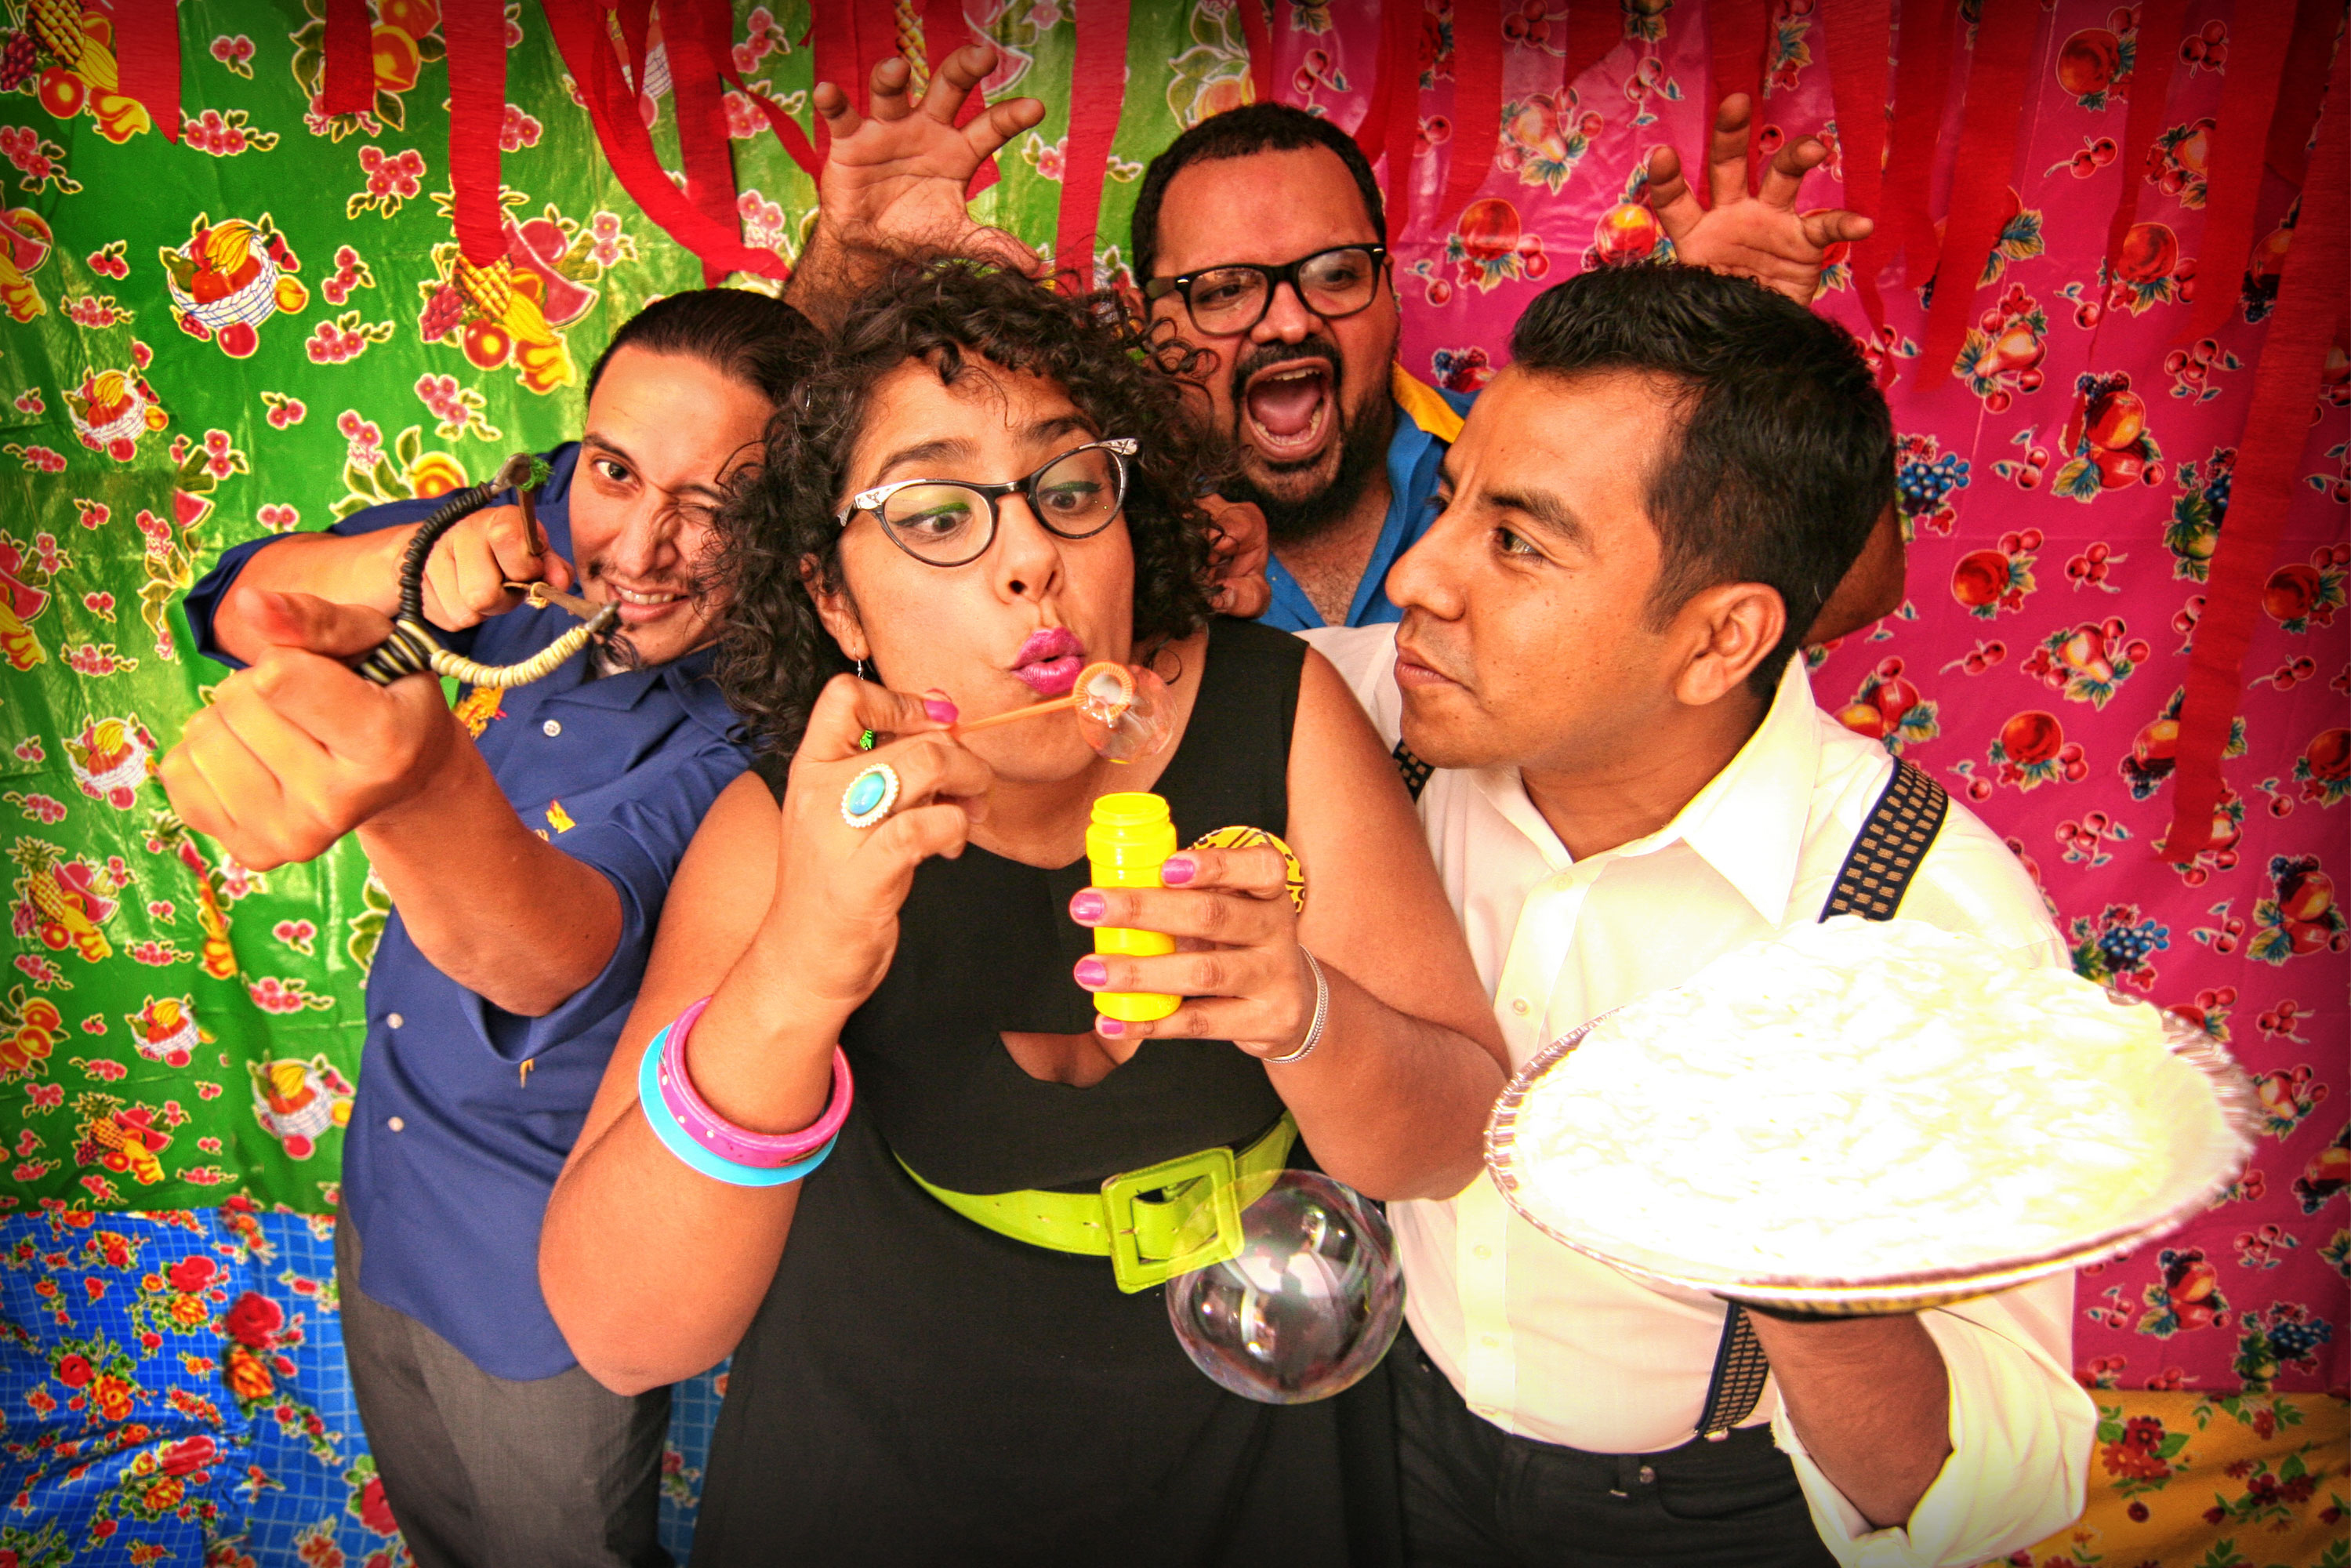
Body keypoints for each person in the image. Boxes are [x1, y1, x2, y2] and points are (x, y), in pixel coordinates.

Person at [538, 258, 1506, 1563]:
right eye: (939, 514)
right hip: (875, 1485)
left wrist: (1306, 1015)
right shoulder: (783, 831)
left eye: (1070, 490)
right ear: (834, 599)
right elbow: (622, 1333)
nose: (1033, 559)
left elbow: (1449, 1146)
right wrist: (801, 967)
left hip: (1255, 1480)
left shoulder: (1280, 716)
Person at [1301, 266, 2093, 1566]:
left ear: (1724, 640)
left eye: (1519, 542)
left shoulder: (1924, 931)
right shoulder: (1364, 720)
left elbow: (1996, 1492)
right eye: (1449, 504)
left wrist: (1801, 1273)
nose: (1420, 580)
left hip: (1717, 1511)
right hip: (1402, 1435)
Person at [162, 290, 820, 1568]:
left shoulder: (762, 736)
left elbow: (555, 957)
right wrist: (402, 568)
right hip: (384, 1192)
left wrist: (420, 792)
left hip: (534, 1280)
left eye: (715, 507)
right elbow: (238, 606)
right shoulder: (529, 529)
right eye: (618, 472)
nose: (640, 547)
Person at [784, 43, 1888, 632]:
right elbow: (786, 541)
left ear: (1392, 290)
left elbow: (1840, 589)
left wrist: (1750, 367)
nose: (1288, 320)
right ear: (1149, 320)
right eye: (1223, 290)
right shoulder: (1080, 520)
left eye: (1333, 274)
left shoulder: (1524, 473)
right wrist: (847, 276)